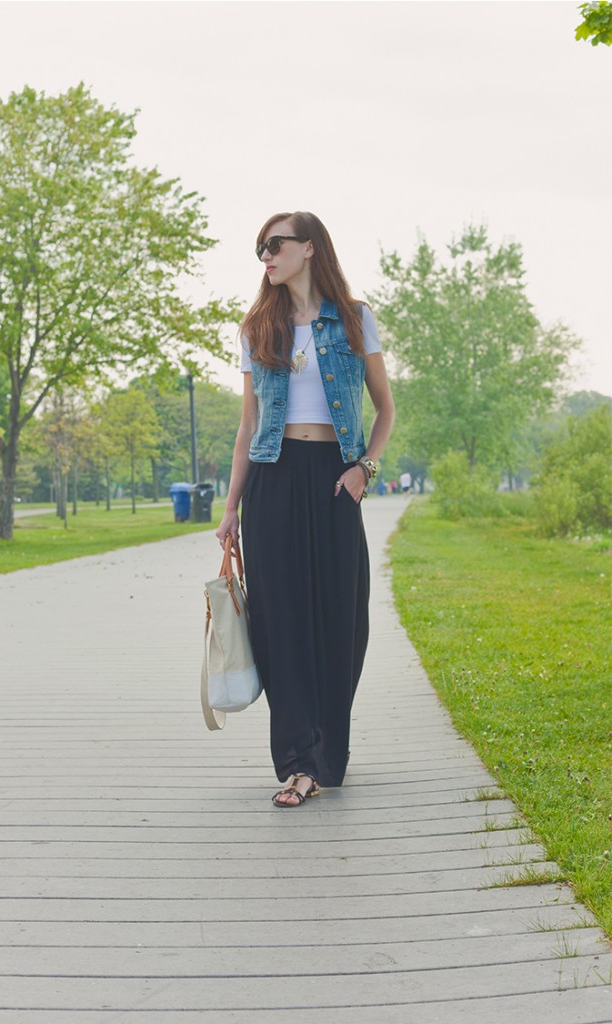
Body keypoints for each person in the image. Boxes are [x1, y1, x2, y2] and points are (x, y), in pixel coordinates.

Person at [215, 212, 395, 807]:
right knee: (280, 621)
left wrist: (362, 470)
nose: (266, 256)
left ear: (309, 248)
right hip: (273, 479)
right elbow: (248, 427)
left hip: (334, 480)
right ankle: (298, 762)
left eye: (276, 245)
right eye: (260, 249)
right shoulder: (257, 328)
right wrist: (231, 508)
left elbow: (385, 410)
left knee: (344, 616)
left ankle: (327, 752)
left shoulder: (353, 318)